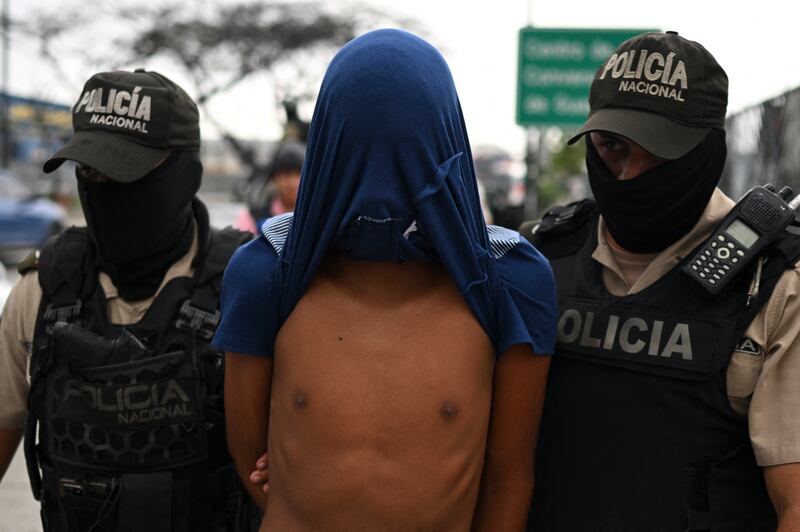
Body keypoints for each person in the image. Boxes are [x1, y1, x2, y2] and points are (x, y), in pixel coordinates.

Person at [214, 29, 557, 531]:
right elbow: (249, 456)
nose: (385, 174)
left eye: (406, 147)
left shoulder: (508, 276)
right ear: (331, 145)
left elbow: (509, 477)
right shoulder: (268, 267)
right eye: (362, 146)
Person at [521, 31, 800, 530]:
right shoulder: (541, 257)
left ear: (707, 151)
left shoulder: (775, 284)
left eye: (659, 152)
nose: (628, 175)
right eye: (610, 147)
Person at [0, 69, 255, 531]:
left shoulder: (246, 288)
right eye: (89, 171)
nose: (101, 187)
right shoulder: (40, 291)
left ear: (184, 175)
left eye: (124, 172)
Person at [234, 142, 305, 235]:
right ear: (274, 179)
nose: (295, 182)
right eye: (287, 175)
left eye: (301, 174)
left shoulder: (318, 218)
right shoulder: (252, 218)